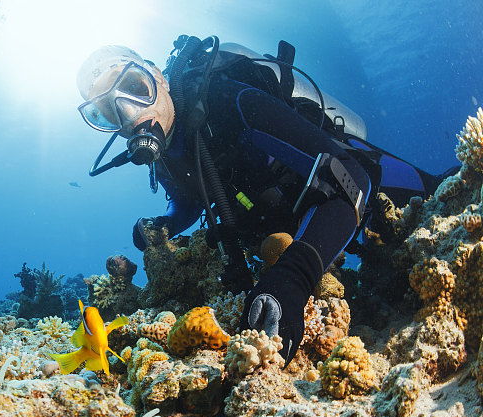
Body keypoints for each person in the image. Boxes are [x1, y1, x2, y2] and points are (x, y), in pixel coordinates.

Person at [75, 38, 459, 365]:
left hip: (362, 191)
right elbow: (189, 199)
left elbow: (352, 178)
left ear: (157, 76)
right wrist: (167, 224)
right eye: (109, 113)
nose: (130, 116)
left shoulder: (227, 102)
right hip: (303, 232)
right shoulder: (169, 155)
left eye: (135, 89)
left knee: (451, 196)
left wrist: (293, 278)